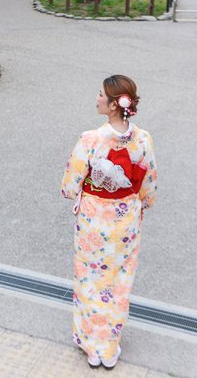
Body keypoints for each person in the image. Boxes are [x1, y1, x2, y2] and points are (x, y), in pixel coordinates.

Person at [61, 75, 157, 370]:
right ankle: (110, 345)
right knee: (118, 281)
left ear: (115, 105)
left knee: (91, 280)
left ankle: (92, 345)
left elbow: (69, 185)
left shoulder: (90, 139)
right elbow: (148, 187)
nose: (97, 98)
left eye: (101, 94)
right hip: (125, 220)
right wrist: (139, 201)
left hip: (93, 220)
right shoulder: (143, 140)